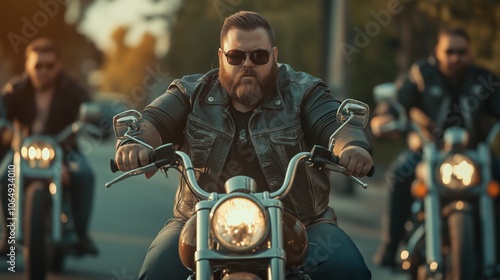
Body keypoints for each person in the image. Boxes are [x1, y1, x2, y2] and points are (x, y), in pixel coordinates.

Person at [114, 11, 374, 280]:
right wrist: (137, 142)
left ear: (274, 55)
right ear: (221, 57)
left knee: (348, 269)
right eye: (236, 56)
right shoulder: (191, 93)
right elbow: (156, 119)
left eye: (258, 56)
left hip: (302, 224)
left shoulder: (303, 92)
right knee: (157, 270)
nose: (247, 64)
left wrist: (352, 146)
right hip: (199, 221)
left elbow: (332, 121)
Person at [371, 27, 500, 267]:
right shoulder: (421, 75)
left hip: (475, 154)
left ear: (470, 52)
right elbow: (398, 102)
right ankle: (390, 245)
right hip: (427, 151)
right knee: (399, 176)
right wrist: (385, 117)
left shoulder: (485, 79)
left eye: (461, 52)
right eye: (449, 51)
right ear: (437, 52)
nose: (455, 57)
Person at [0, 37, 98, 256]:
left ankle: (81, 235)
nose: (43, 71)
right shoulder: (16, 89)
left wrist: (92, 121)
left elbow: (89, 113)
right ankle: (9, 236)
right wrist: (9, 133)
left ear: (58, 66)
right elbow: (1, 111)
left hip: (65, 151)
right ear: (28, 65)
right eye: (37, 65)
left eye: (49, 66)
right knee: (4, 176)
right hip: (23, 151)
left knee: (84, 175)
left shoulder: (72, 90)